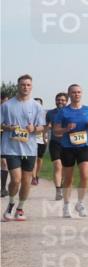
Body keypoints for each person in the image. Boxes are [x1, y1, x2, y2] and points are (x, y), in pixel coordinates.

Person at [1, 76, 46, 222]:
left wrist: (34, 128)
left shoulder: (37, 107)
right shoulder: (6, 105)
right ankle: (11, 204)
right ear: (18, 86)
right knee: (16, 179)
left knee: (26, 181)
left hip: (29, 149)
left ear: (31, 87)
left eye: (28, 85)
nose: (25, 87)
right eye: (22, 85)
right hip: (11, 148)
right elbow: (1, 124)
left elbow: (42, 127)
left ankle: (20, 208)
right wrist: (8, 127)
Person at [52, 84, 88, 218]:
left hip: (84, 146)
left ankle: (80, 203)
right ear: (69, 94)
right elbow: (56, 130)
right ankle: (66, 205)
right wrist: (66, 129)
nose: (76, 94)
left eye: (78, 92)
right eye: (73, 92)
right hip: (68, 147)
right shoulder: (63, 112)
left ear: (81, 94)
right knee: (69, 178)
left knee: (85, 175)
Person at [46, 92, 68, 200]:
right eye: (58, 99)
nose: (60, 102)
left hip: (68, 144)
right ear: (55, 101)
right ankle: (58, 190)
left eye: (63, 100)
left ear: (66, 101)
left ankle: (62, 185)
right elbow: (45, 126)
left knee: (64, 168)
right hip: (55, 143)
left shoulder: (70, 112)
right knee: (57, 165)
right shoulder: (50, 113)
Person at [31, 98, 46, 186]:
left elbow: (46, 126)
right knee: (34, 158)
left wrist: (44, 136)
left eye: (39, 104)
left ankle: (37, 175)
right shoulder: (28, 114)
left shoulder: (44, 114)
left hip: (41, 140)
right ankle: (33, 177)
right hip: (32, 140)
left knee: (40, 159)